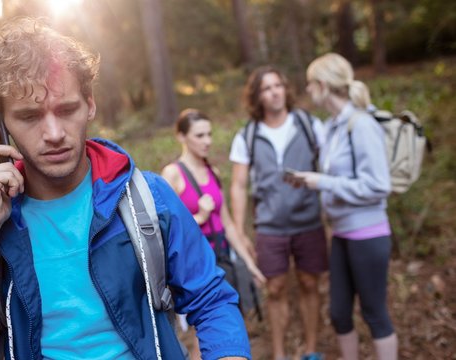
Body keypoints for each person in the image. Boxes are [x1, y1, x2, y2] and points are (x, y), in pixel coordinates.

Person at [0, 18, 251, 360]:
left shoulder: (148, 198)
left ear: (89, 104)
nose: (54, 133)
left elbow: (212, 302)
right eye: (30, 117)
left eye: (66, 109)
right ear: (2, 128)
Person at [293, 52, 398, 360]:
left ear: (323, 85)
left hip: (368, 233)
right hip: (341, 234)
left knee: (374, 312)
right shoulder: (334, 127)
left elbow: (379, 185)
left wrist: (322, 182)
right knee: (339, 313)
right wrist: (312, 180)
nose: (308, 90)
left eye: (310, 84)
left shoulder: (362, 124)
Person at [229, 66, 328, 360]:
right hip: (269, 227)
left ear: (285, 89)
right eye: (266, 88)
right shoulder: (248, 135)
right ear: (257, 97)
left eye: (277, 85)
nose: (274, 92)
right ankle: (280, 354)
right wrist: (239, 230)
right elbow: (238, 185)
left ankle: (311, 351)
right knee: (275, 289)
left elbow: (332, 171)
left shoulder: (309, 125)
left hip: (309, 221)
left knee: (310, 283)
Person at [161, 108, 266, 360]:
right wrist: (200, 217)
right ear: (182, 137)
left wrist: (250, 264)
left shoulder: (214, 173)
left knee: (227, 330)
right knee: (202, 338)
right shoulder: (172, 174)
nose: (207, 141)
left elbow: (228, 225)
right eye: (199, 135)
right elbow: (165, 233)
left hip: (223, 260)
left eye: (209, 134)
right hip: (196, 265)